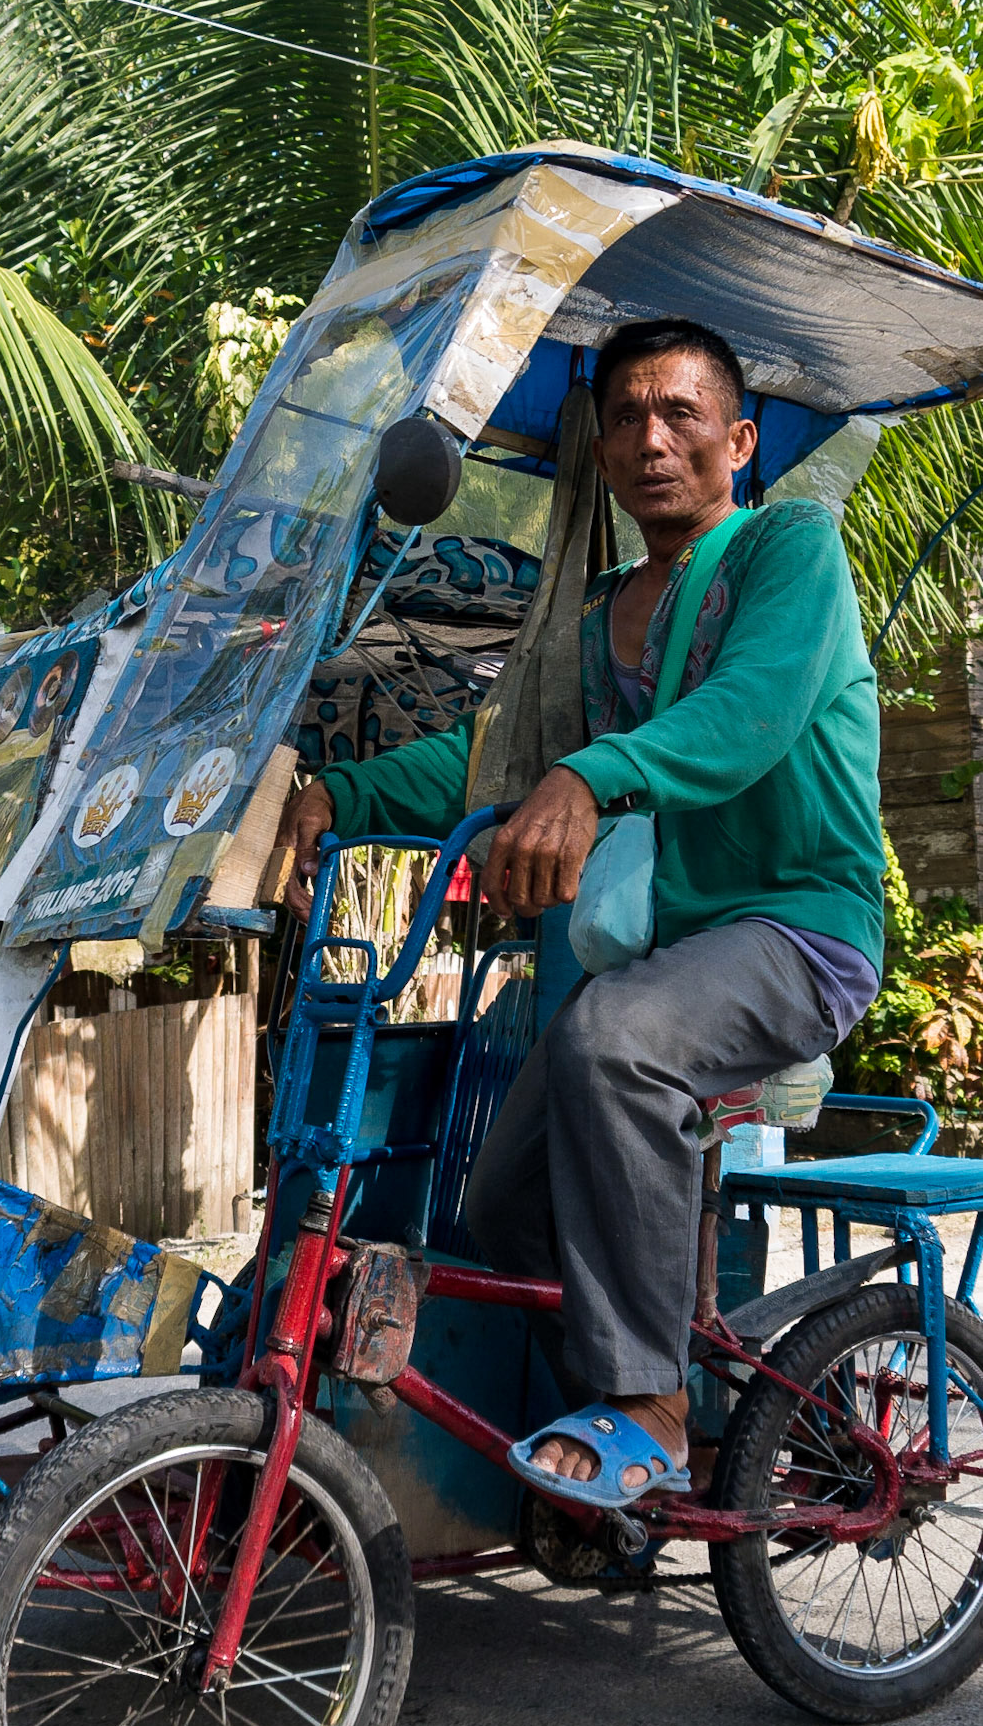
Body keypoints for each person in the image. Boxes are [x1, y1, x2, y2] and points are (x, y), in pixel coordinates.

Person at [274, 317, 884, 1504]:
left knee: (611, 1039)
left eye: (679, 414)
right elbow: (493, 759)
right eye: (624, 419)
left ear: (737, 440)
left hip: (798, 928)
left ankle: (646, 1399)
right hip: (669, 957)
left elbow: (749, 713)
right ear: (599, 452)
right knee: (504, 1198)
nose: (651, 439)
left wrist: (587, 776)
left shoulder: (786, 548)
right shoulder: (599, 611)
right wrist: (333, 790)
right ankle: (641, 1451)